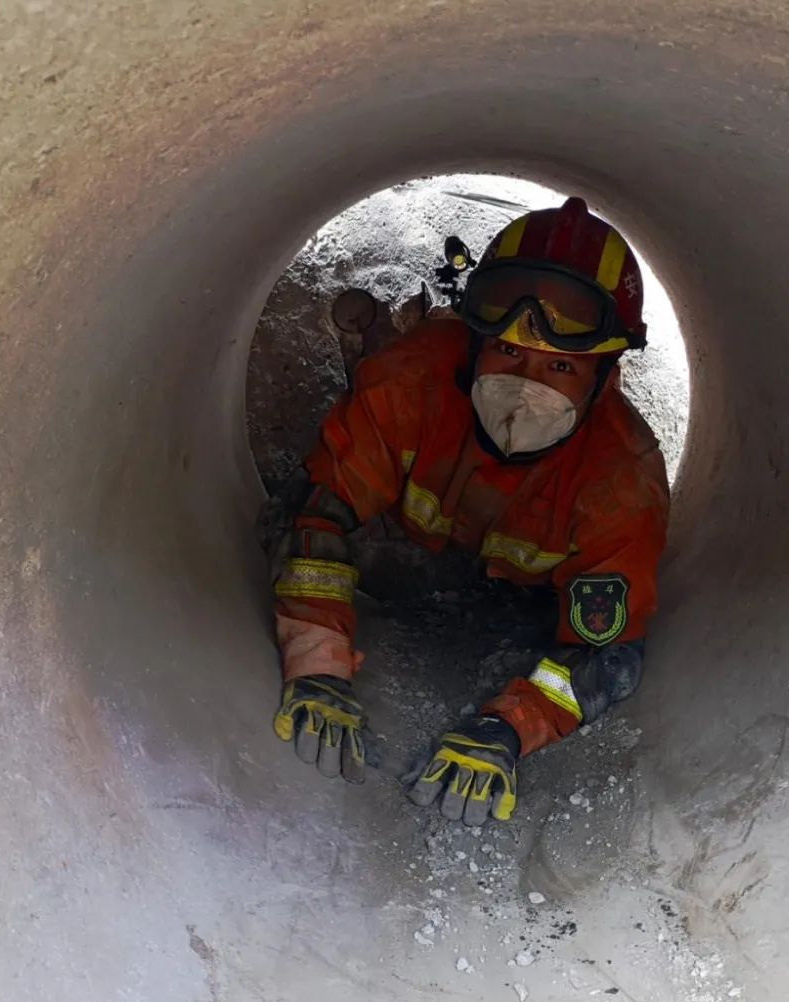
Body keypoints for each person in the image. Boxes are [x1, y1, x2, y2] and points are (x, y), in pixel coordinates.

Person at [266, 197, 669, 826]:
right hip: (413, 551)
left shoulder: (620, 481)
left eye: (560, 365)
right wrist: (316, 665)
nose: (525, 382)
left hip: (526, 597)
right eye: (508, 353)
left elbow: (606, 652)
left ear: (605, 373)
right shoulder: (406, 385)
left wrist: (509, 729)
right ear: (474, 341)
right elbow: (315, 517)